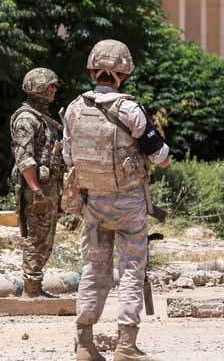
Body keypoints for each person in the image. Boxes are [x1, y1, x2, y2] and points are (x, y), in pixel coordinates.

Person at [63, 40, 170, 361]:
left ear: (93, 70)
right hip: (128, 206)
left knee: (94, 270)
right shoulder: (130, 109)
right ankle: (125, 346)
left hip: (93, 205)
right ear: (124, 73)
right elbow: (161, 156)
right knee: (132, 269)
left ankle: (84, 344)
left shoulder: (73, 108)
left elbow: (69, 158)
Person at [9, 67, 65, 298]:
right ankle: (31, 290)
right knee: (35, 238)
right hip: (37, 189)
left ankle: (36, 286)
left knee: (45, 238)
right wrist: (36, 191)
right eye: (49, 86)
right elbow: (24, 159)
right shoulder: (26, 119)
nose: (53, 90)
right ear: (38, 88)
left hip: (48, 186)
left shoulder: (44, 118)